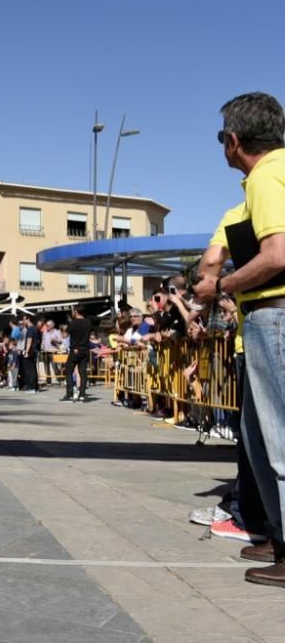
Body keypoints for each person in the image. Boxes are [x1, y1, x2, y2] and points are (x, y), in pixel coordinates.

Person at [193, 93, 285, 586]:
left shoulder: (269, 175)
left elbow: (277, 255)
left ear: (234, 140)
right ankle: (277, 535)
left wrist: (221, 286)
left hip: (275, 316)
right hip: (266, 320)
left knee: (278, 443)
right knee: (261, 440)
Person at [62, 305, 91, 403]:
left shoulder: (73, 323)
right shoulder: (88, 323)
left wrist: (65, 328)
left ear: (76, 312)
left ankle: (69, 394)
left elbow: (65, 335)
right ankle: (82, 394)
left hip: (75, 349)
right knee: (82, 372)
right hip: (85, 350)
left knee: (69, 371)